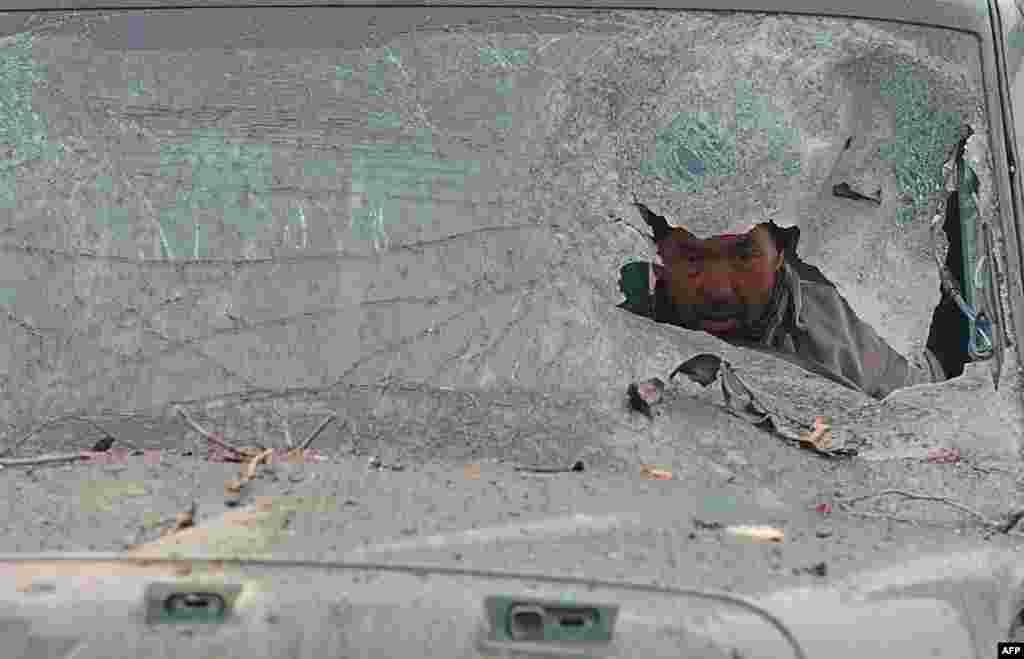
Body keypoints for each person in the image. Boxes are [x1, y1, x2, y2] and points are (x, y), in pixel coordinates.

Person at [618, 203, 958, 400]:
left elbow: (931, 410)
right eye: (692, 258)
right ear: (658, 256)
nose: (719, 288)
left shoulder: (859, 333)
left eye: (743, 255)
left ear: (780, 253)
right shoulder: (611, 338)